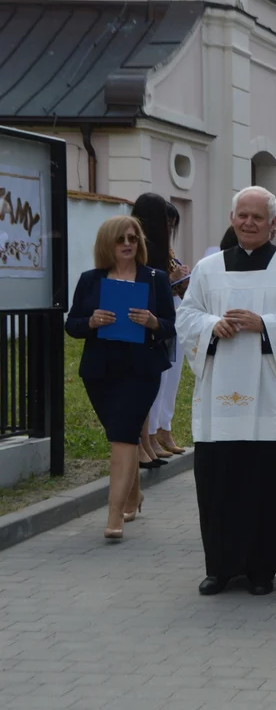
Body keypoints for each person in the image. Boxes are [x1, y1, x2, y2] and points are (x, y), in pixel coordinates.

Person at [177, 186, 276, 596]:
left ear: (274, 223)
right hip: (220, 397)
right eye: (242, 215)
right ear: (231, 218)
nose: (248, 223)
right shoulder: (208, 269)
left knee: (269, 483)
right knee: (220, 482)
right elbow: (187, 316)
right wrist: (212, 326)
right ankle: (221, 567)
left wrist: (266, 325)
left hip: (271, 396)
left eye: (257, 217)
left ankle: (264, 568)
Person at [65, 216, 174, 539]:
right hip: (100, 372)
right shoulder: (90, 280)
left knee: (124, 437)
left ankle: (114, 516)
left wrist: (154, 321)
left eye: (133, 238)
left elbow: (171, 325)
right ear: (107, 244)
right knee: (121, 435)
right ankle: (133, 494)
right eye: (120, 239)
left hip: (141, 371)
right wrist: (91, 322)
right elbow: (72, 325)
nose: (128, 244)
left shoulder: (155, 279)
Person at [131, 192, 176, 469]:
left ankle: (146, 441)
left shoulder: (155, 247)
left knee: (149, 386)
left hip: (153, 320)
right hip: (139, 318)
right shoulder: (140, 244)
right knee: (140, 388)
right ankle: (139, 443)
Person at [150, 201, 189, 457]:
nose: (170, 228)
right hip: (157, 317)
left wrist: (184, 279)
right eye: (167, 223)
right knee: (160, 377)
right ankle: (151, 432)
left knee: (172, 377)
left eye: (173, 224)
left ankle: (165, 426)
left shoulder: (169, 250)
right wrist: (172, 279)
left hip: (175, 315)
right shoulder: (147, 248)